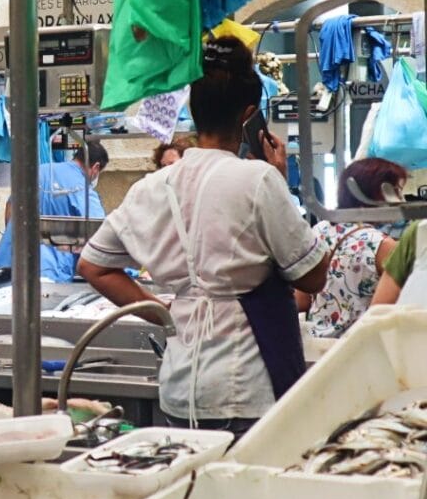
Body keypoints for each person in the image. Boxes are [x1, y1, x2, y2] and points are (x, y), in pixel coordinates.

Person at [78, 38, 329, 436]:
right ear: (249, 116)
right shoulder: (259, 179)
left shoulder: (151, 187)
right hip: (248, 386)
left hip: (180, 386)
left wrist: (165, 315)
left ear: (194, 111)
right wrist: (280, 181)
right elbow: (312, 277)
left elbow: (93, 266)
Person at [302, 158, 404, 337]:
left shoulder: (318, 230)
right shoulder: (383, 246)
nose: (401, 201)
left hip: (315, 346)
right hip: (357, 351)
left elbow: (302, 299)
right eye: (396, 192)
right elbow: (382, 318)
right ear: (375, 193)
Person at [0, 139, 108, 283]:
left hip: (8, 266)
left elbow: (11, 207)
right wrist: (129, 271)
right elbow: (101, 236)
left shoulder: (39, 170)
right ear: (96, 167)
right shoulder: (82, 189)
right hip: (47, 274)